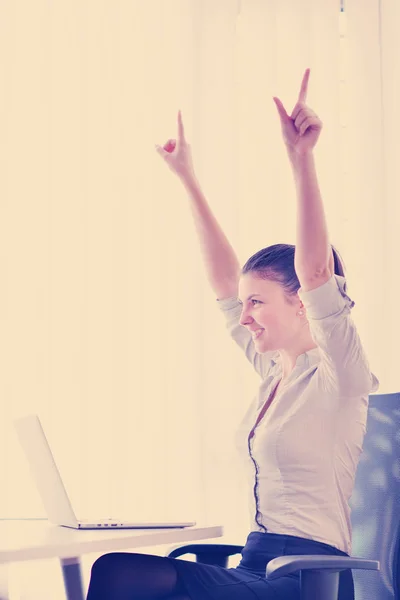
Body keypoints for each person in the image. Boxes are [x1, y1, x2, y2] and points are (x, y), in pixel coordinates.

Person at [85, 69, 379, 600]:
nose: (243, 316)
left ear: (301, 303)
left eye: (257, 303)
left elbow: (315, 273)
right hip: (255, 564)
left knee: (119, 574)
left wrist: (301, 161)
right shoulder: (272, 374)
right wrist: (187, 179)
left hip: (305, 577)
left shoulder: (340, 373)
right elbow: (223, 283)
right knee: (119, 569)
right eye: (244, 305)